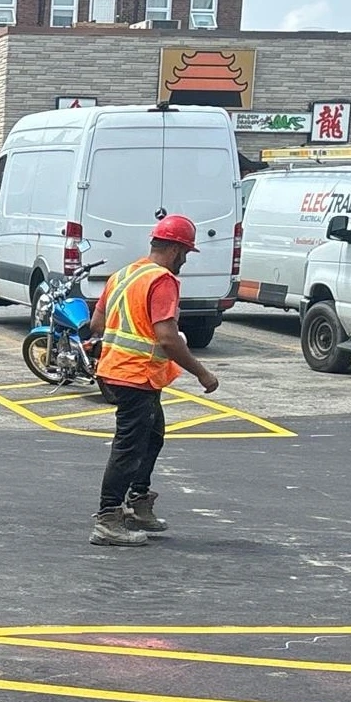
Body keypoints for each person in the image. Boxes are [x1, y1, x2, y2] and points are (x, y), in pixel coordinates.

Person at [89, 215, 219, 547]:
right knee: (129, 447)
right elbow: (167, 338)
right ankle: (108, 519)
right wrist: (201, 372)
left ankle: (138, 501)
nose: (185, 261)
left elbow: (97, 324)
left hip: (119, 371)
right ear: (175, 249)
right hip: (135, 374)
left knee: (153, 436)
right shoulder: (162, 281)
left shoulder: (124, 274)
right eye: (186, 253)